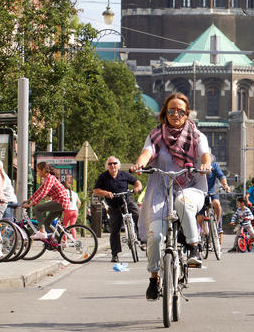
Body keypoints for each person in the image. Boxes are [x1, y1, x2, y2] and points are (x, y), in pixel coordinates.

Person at [131, 92, 212, 301]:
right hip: (161, 188)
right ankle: (154, 278)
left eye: (180, 111)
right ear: (164, 113)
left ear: (187, 114)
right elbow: (146, 152)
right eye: (171, 111)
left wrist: (205, 164)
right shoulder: (156, 135)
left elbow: (204, 153)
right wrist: (140, 163)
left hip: (191, 185)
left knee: (183, 202)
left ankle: (194, 248)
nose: (175, 114)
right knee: (156, 236)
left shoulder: (196, 135)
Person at [93, 156, 143, 263]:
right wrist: (106, 193)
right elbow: (96, 190)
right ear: (107, 166)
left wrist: (137, 188)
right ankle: (115, 254)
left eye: (114, 163)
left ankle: (140, 238)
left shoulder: (123, 174)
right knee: (114, 230)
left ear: (118, 165)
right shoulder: (103, 176)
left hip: (126, 200)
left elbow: (137, 182)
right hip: (114, 205)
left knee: (138, 214)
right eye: (110, 164)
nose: (112, 166)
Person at [22, 163, 71, 240]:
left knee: (37, 208)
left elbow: (43, 193)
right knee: (46, 223)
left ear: (44, 171)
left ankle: (42, 232)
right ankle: (59, 242)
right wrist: (28, 200)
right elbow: (38, 191)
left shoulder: (50, 179)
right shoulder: (46, 179)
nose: (37, 173)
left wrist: (30, 204)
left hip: (61, 202)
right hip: (61, 202)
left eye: (38, 171)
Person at [203, 161, 230, 244]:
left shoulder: (214, 165)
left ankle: (216, 226)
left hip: (211, 193)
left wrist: (225, 185)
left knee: (217, 204)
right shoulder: (196, 163)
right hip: (199, 194)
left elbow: (221, 176)